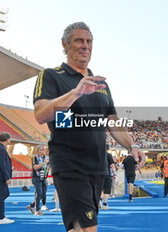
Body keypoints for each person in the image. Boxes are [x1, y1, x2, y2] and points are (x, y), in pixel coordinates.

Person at [33, 22, 145, 232]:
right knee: (86, 228)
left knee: (81, 227)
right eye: (79, 40)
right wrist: (76, 92)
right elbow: (40, 114)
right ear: (65, 44)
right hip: (70, 164)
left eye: (89, 41)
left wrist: (132, 146)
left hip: (97, 166)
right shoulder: (51, 75)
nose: (85, 46)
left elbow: (112, 121)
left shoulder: (99, 84)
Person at [27, 145, 49, 216]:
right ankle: (37, 210)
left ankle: (31, 206)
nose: (44, 150)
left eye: (45, 149)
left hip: (44, 177)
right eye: (42, 149)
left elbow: (48, 167)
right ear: (38, 150)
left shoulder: (47, 158)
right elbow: (35, 167)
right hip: (36, 177)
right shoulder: (34, 157)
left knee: (43, 194)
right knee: (39, 193)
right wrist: (44, 163)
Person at [101, 145, 116, 210]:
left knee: (99, 189)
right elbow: (112, 165)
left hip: (98, 174)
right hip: (106, 173)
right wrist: (114, 173)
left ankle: (98, 202)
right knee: (107, 189)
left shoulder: (97, 154)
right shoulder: (109, 155)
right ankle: (105, 204)